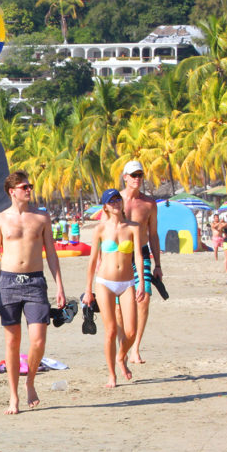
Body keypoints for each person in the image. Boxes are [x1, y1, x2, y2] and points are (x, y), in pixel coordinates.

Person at [0, 170, 66, 415]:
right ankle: (14, 396)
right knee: (12, 342)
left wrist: (59, 286)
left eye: (30, 186)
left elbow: (51, 253)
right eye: (25, 187)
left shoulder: (41, 218)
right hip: (7, 283)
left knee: (38, 340)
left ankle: (30, 382)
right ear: (12, 191)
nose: (29, 190)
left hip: (35, 282)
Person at [84, 189, 146, 388]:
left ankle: (121, 356)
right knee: (110, 331)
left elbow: (138, 256)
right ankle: (112, 375)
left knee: (131, 332)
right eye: (111, 201)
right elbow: (93, 261)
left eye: (118, 199)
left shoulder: (133, 228)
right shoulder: (100, 229)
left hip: (127, 282)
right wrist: (87, 290)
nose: (116, 203)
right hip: (105, 283)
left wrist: (142, 283)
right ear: (105, 206)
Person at [118, 160, 161, 365]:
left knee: (143, 300)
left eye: (140, 175)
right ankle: (122, 347)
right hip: (119, 254)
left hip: (142, 253)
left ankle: (135, 348)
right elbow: (105, 231)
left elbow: (153, 234)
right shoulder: (115, 201)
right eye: (133, 175)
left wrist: (158, 265)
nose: (137, 179)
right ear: (125, 177)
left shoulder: (149, 203)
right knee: (118, 305)